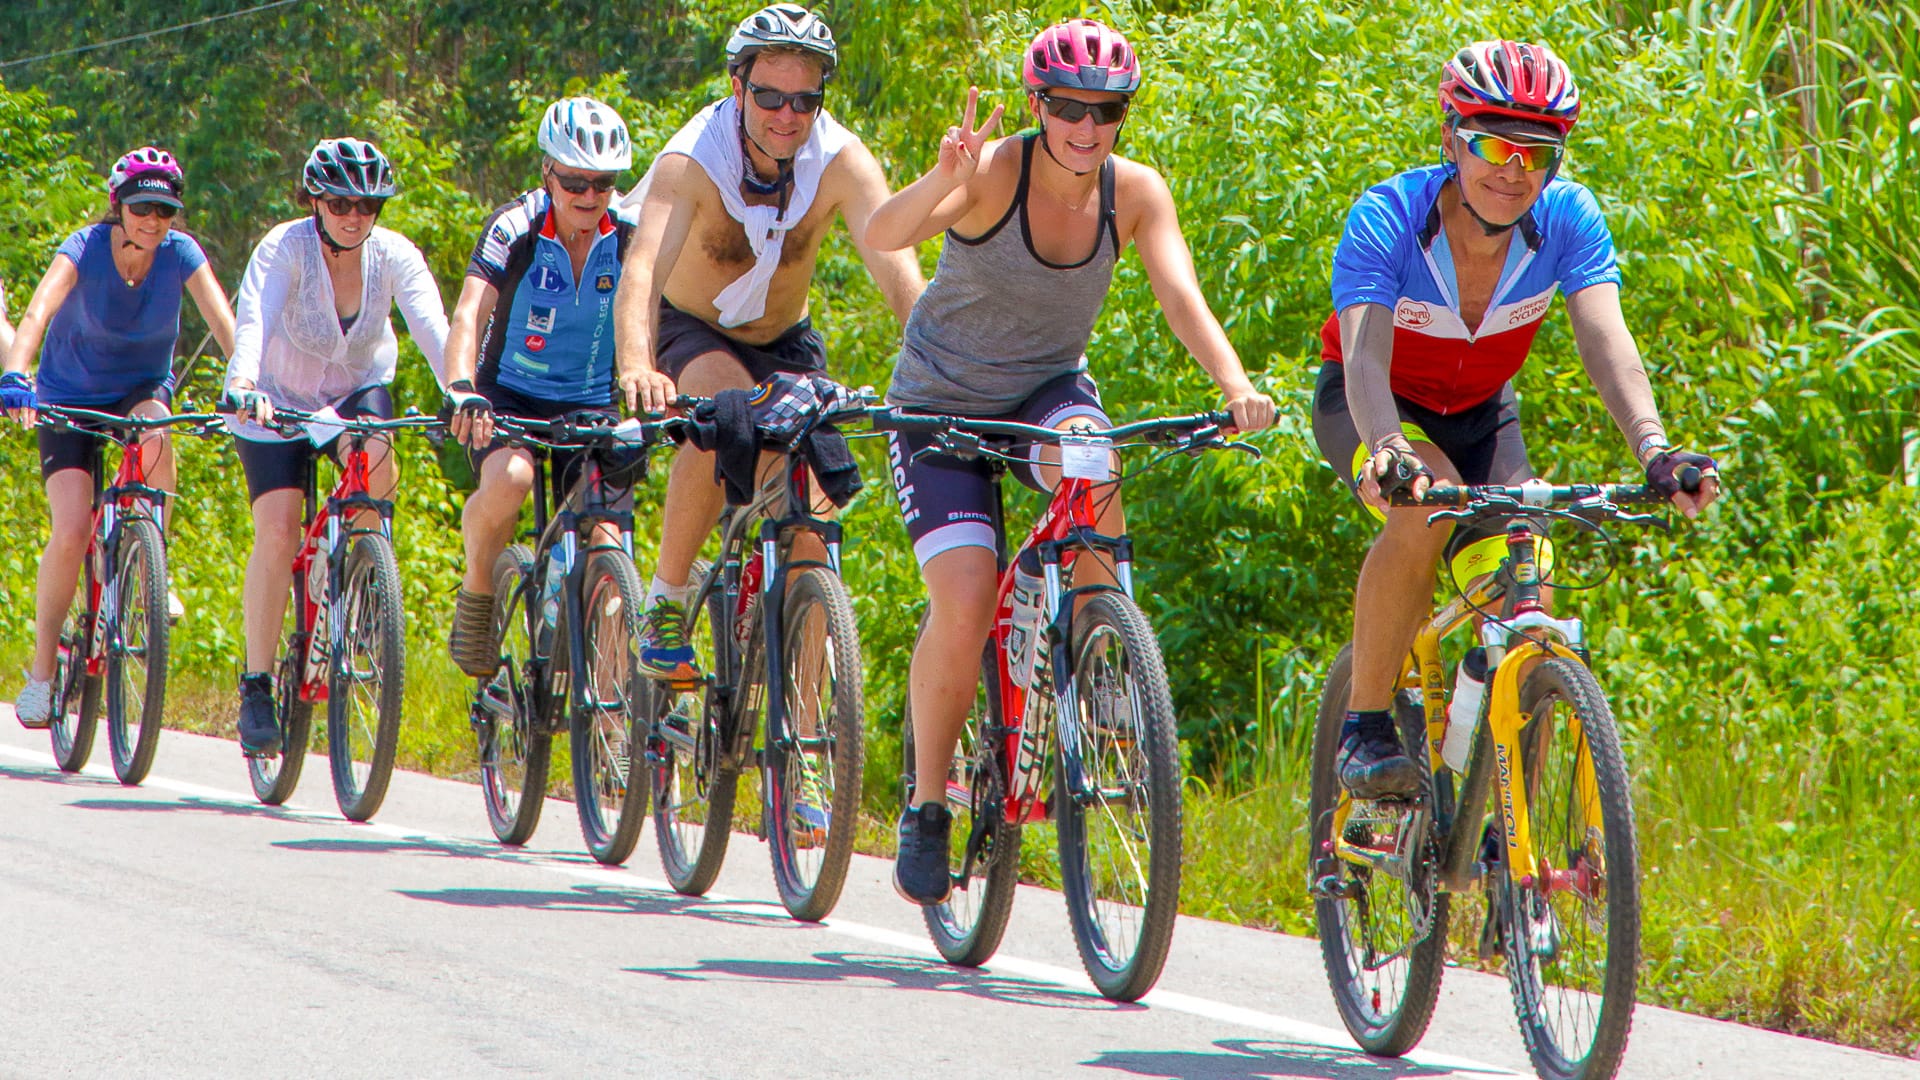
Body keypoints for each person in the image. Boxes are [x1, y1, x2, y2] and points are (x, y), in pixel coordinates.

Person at [862, 19, 1277, 904]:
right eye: (1066, 108)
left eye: (1107, 111)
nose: (1086, 129)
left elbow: (1181, 296)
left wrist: (1237, 384)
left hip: (1043, 391)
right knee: (967, 596)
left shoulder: (1136, 194)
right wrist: (946, 176)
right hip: (939, 402)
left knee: (1095, 465)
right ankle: (930, 806)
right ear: (1036, 104)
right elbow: (880, 232)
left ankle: (1105, 663)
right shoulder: (997, 172)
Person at [1312, 40, 1720, 800]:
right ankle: (1364, 727)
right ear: (1449, 140)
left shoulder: (1566, 219)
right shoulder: (1390, 216)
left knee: (1527, 566)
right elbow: (1365, 360)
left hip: (1480, 411)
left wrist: (1656, 451)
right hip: (1375, 406)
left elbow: (1606, 339)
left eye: (1537, 152)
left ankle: (1510, 830)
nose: (1513, 170)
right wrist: (1390, 451)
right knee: (1421, 513)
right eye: (1493, 145)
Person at [611, 2, 925, 682]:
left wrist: (940, 363)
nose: (788, 115)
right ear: (737, 87)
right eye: (770, 96)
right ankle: (665, 601)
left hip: (786, 341)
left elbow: (900, 274)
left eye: (805, 100)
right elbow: (641, 272)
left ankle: (808, 748)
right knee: (722, 411)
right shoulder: (692, 160)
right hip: (692, 328)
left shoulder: (841, 160)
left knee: (812, 530)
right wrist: (636, 362)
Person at [222, 138, 450, 754]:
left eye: (368, 205)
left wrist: (463, 390)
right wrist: (242, 383)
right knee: (278, 529)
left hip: (355, 390)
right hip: (275, 395)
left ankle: (366, 583)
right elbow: (255, 320)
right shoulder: (285, 247)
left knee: (377, 463)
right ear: (316, 201)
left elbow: (435, 328)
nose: (354, 215)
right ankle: (258, 686)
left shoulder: (395, 255)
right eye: (341, 202)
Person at [2, 147, 237, 728]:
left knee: (156, 430)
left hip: (138, 388)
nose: (153, 220)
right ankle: (40, 673)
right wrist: (16, 374)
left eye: (164, 209)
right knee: (73, 525)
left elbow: (223, 322)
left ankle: (150, 558)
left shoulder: (181, 253)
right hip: (68, 393)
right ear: (118, 206)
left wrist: (247, 380)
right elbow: (37, 313)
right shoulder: (83, 247)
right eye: (141, 207)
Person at [443, 97, 640, 677]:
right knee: (512, 478)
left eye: (602, 183)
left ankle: (609, 722)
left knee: (608, 546)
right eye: (575, 180)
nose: (588, 195)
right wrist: (461, 387)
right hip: (507, 396)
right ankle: (479, 587)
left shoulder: (631, 233)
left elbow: (659, 313)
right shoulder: (516, 227)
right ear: (547, 173)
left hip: (590, 402)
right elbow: (468, 314)